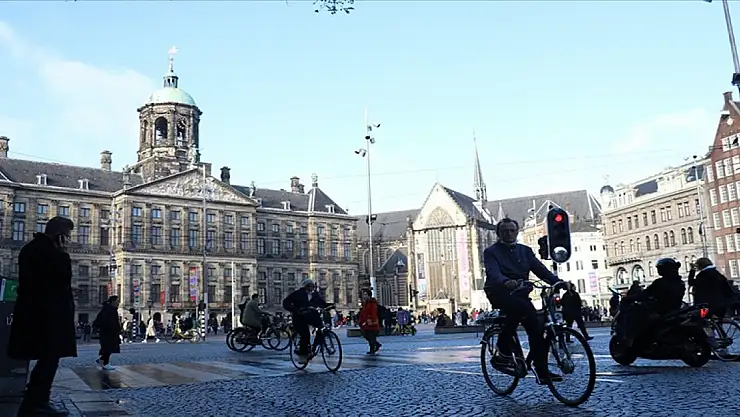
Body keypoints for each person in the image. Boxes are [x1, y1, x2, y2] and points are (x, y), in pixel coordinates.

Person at [8, 216, 76, 416]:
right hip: (47, 316)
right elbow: (61, 277)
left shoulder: (32, 249)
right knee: (49, 359)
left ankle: (36, 401)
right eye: (67, 236)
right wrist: (63, 254)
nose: (68, 240)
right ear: (59, 235)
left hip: (39, 314)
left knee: (47, 360)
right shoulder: (49, 252)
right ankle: (37, 403)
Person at [483, 217, 563, 384]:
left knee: (537, 330)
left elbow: (540, 269)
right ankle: (503, 351)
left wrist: (557, 282)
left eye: (512, 230)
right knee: (519, 309)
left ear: (517, 232)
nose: (509, 233)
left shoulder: (525, 251)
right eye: (505, 231)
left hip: (520, 292)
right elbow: (493, 272)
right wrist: (505, 281)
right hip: (499, 291)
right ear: (498, 234)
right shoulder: (491, 252)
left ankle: (541, 370)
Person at [620, 258, 686, 348]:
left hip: (660, 310)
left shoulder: (660, 282)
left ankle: (633, 342)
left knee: (635, 317)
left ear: (664, 269)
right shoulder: (680, 282)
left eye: (660, 268)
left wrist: (629, 298)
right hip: (674, 309)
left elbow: (645, 294)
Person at [282, 279, 328, 364]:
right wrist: (296, 310)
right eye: (309, 286)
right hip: (300, 317)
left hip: (311, 316)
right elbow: (286, 303)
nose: (311, 288)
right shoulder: (298, 294)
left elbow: (322, 303)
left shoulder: (315, 295)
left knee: (322, 329)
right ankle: (302, 355)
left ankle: (314, 347)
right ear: (305, 286)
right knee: (305, 335)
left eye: (312, 286)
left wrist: (329, 305)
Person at [93, 296, 122, 371]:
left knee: (108, 348)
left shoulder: (109, 309)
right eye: (117, 301)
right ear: (113, 301)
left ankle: (102, 361)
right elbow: (108, 322)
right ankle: (105, 363)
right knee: (108, 348)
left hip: (109, 332)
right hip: (108, 332)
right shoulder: (109, 310)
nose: (118, 303)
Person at [359, 289, 381, 353]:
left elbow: (373, 312)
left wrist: (369, 319)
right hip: (365, 322)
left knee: (371, 336)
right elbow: (363, 312)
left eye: (365, 294)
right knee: (366, 335)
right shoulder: (365, 303)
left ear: (369, 295)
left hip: (371, 322)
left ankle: (372, 349)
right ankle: (376, 345)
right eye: (363, 294)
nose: (364, 296)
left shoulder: (372, 303)